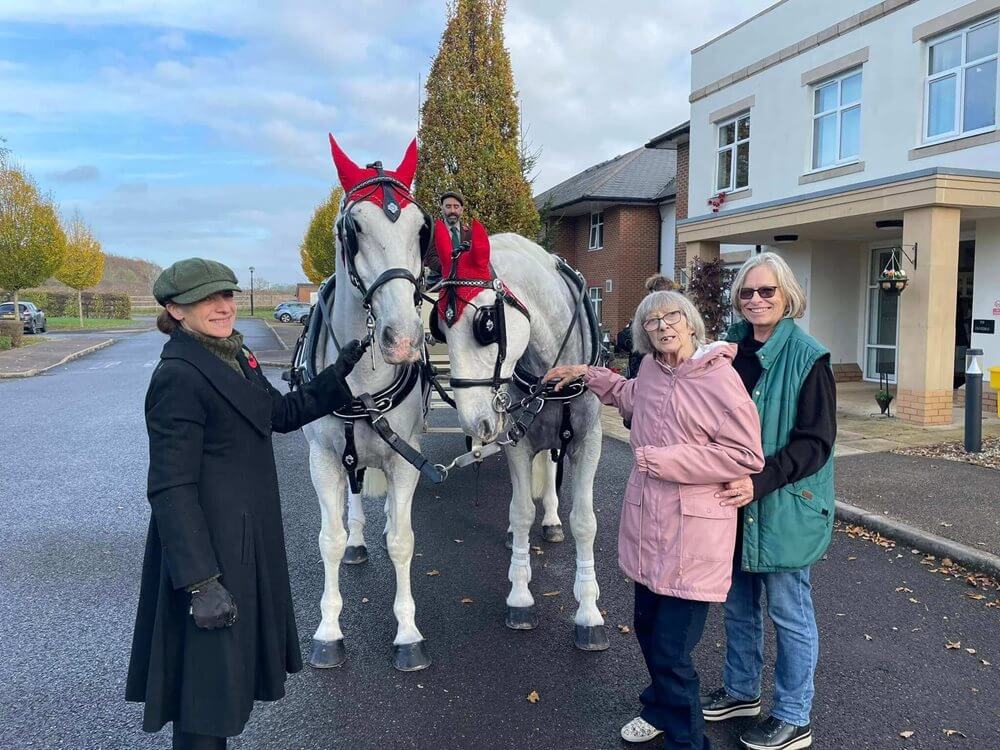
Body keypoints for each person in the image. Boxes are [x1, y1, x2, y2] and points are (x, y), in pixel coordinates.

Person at [126, 258, 365, 750]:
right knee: (203, 695)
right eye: (205, 300)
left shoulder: (233, 357)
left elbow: (278, 413)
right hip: (209, 556)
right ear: (176, 310)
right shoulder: (178, 375)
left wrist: (336, 374)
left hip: (246, 545)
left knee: (223, 685)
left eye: (228, 295)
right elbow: (170, 487)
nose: (222, 306)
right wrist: (200, 583)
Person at [544, 291, 764, 750]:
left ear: (691, 323)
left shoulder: (721, 379)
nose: (663, 326)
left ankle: (689, 742)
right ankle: (660, 708)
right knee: (647, 631)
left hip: (694, 536)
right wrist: (588, 375)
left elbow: (746, 455)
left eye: (672, 317)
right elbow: (630, 397)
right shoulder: (650, 369)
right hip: (650, 531)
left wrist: (668, 461)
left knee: (671, 651)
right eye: (652, 321)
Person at [701, 252, 836, 750]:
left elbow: (815, 442)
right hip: (732, 504)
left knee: (789, 612)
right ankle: (741, 692)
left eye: (766, 292)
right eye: (746, 293)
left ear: (787, 297)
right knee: (737, 605)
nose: (756, 300)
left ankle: (794, 716)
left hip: (784, 504)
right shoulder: (726, 350)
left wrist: (760, 482)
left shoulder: (809, 357)